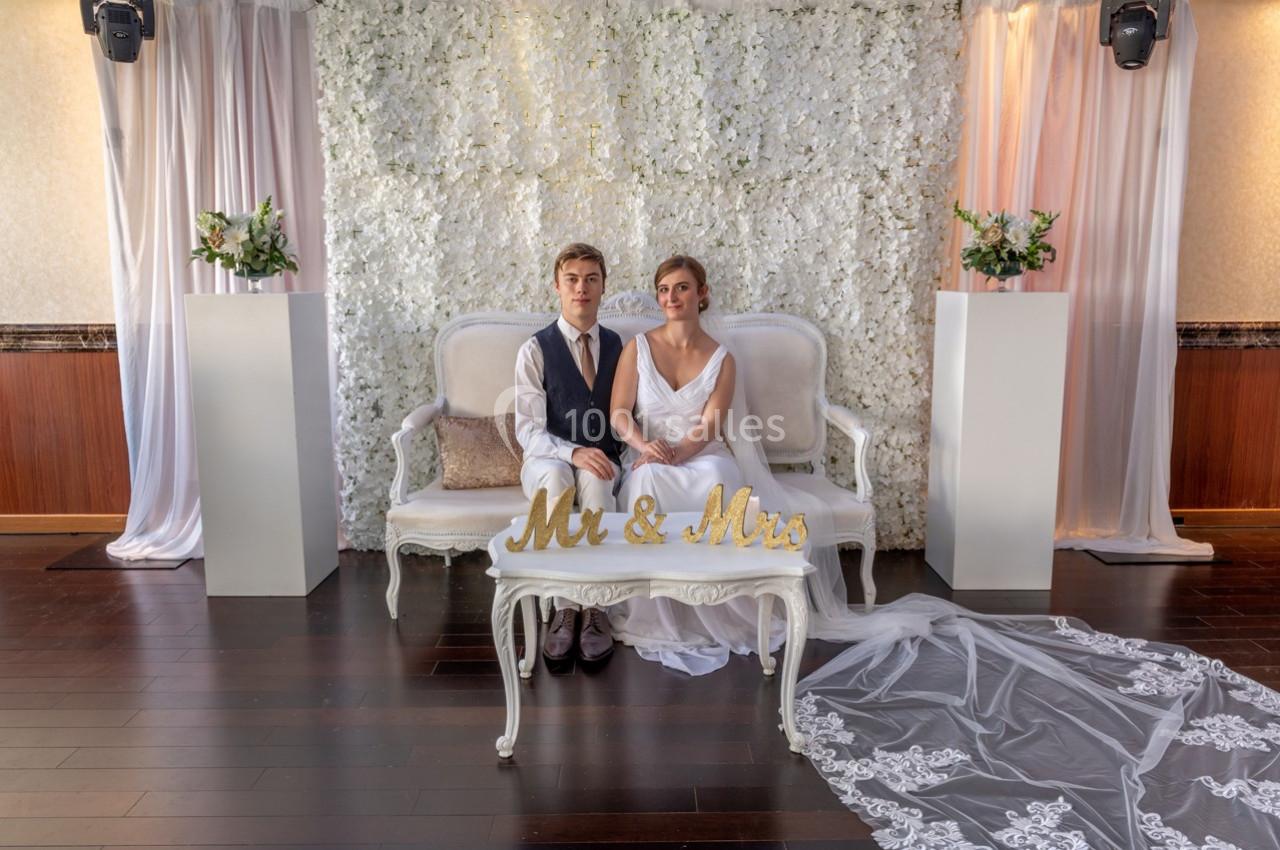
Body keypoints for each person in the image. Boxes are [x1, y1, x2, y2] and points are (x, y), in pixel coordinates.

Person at [607, 255, 766, 675]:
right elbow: (619, 412)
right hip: (648, 451)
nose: (671, 297)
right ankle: (653, 615)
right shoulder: (637, 348)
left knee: (717, 481)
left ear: (702, 293)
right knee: (646, 482)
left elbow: (712, 424)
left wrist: (680, 451)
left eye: (681, 287)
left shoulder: (722, 358)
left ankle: (720, 609)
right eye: (664, 289)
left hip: (703, 454)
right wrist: (646, 445)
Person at [513, 242, 621, 666]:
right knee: (559, 480)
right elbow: (527, 430)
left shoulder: (619, 346)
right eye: (572, 280)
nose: (582, 288)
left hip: (599, 458)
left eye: (591, 279)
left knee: (598, 479)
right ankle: (564, 609)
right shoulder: (534, 350)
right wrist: (572, 451)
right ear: (557, 286)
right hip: (546, 459)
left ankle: (595, 608)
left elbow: (630, 415)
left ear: (603, 287)